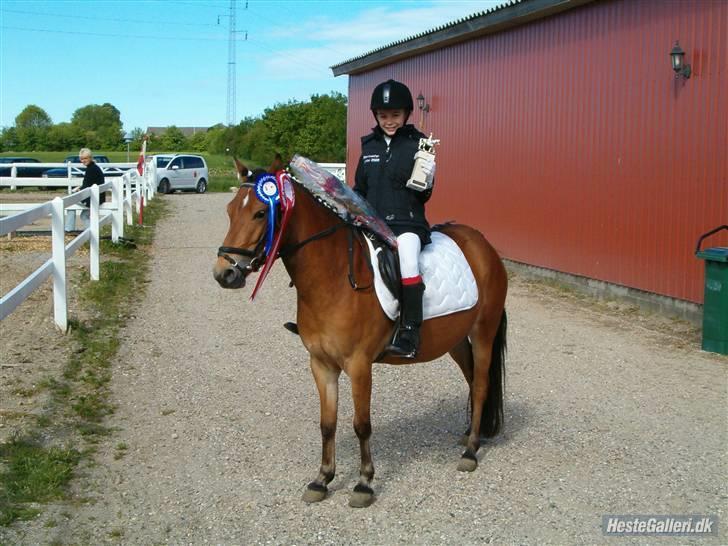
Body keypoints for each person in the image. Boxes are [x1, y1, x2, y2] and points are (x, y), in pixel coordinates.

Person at [353, 79, 436, 359]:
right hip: (372, 223)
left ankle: (410, 330)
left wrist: (426, 180)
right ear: (376, 115)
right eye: (383, 115)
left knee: (408, 259)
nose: (389, 121)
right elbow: (359, 189)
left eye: (395, 115)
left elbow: (424, 196)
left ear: (407, 114)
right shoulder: (369, 147)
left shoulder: (419, 145)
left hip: (407, 224)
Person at [77, 148, 106, 227]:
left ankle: (69, 229)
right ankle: (91, 231)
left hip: (94, 198)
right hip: (97, 196)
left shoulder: (91, 169)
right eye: (82, 159)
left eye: (85, 158)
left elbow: (87, 185)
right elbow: (89, 183)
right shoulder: (94, 167)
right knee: (84, 215)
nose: (83, 160)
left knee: (71, 203)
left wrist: (79, 190)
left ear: (90, 158)